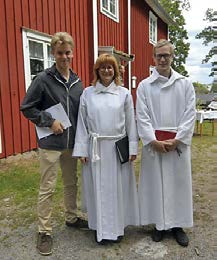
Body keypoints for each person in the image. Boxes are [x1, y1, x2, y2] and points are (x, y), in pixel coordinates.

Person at [20, 32, 87, 256]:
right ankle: (44, 231)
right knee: (47, 187)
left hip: (70, 143)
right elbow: (27, 107)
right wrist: (49, 121)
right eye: (60, 53)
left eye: (68, 52)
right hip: (50, 143)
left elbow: (80, 114)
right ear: (53, 54)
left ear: (73, 53)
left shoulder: (78, 82)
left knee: (71, 183)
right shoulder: (42, 79)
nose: (64, 57)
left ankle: (71, 217)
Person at [73, 53, 139, 244]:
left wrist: (132, 147)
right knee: (98, 189)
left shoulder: (124, 93)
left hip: (116, 148)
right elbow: (82, 123)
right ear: (97, 71)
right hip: (96, 149)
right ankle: (100, 228)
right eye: (102, 67)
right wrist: (82, 149)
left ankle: (116, 228)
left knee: (116, 189)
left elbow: (130, 123)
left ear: (115, 70)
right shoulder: (88, 93)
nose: (106, 70)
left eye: (110, 67)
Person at [136, 39, 196, 247]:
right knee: (155, 183)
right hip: (155, 145)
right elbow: (141, 116)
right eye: (159, 55)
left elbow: (190, 114)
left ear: (172, 57)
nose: (162, 59)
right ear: (154, 58)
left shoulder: (185, 84)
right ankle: (159, 224)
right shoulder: (145, 86)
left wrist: (178, 139)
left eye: (166, 55)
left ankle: (178, 225)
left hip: (177, 145)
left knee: (178, 184)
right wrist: (152, 141)